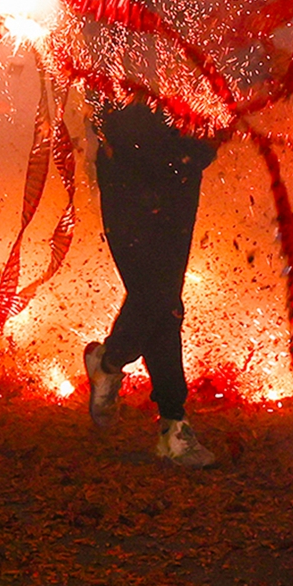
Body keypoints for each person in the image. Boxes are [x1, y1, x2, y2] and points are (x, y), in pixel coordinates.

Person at [83, 99, 221, 468]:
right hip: (130, 169)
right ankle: (171, 422)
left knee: (166, 300)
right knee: (155, 294)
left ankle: (165, 416)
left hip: (180, 171)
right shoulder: (125, 50)